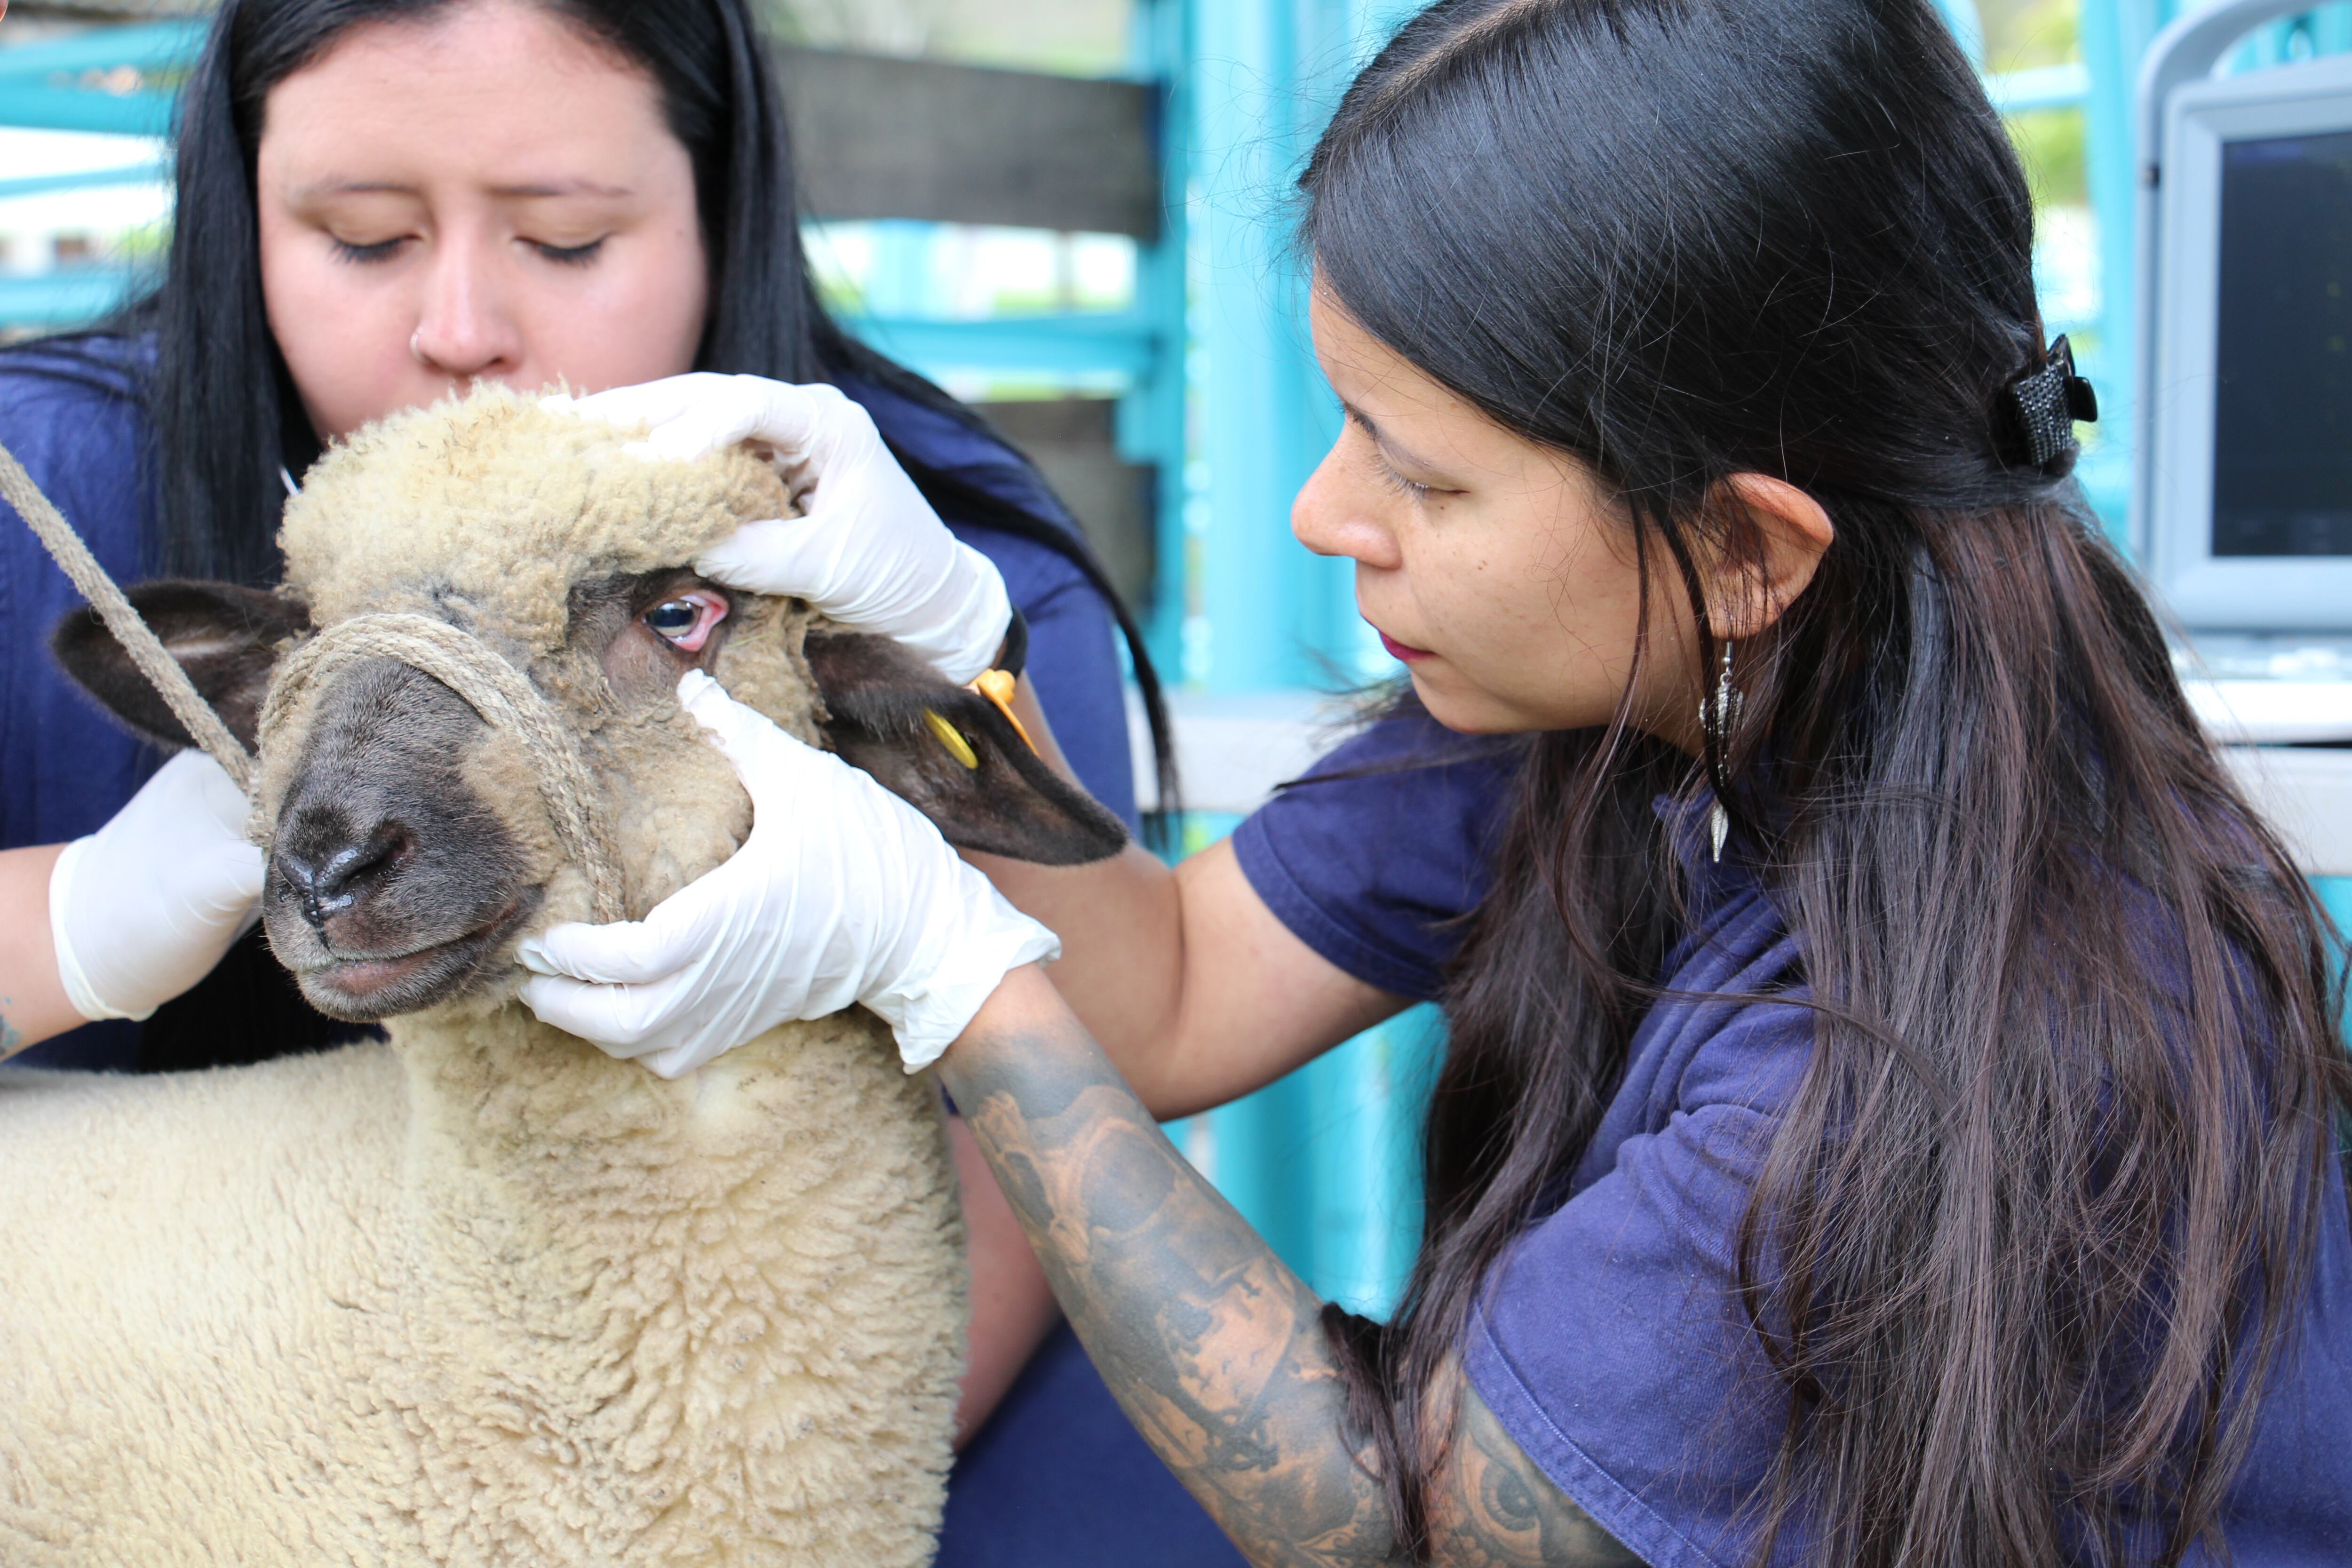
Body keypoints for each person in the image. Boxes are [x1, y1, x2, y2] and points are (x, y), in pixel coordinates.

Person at [519, 0, 2352, 1563]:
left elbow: (1400, 1514)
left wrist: (951, 976)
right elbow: (1163, 997)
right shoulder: (1623, 713)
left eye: (1423, 477)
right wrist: (938, 644)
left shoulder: (1956, 1026)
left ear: (1738, 546)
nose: (1325, 517)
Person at [0, 2, 1236, 1562]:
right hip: (153, 1404)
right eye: (361, 237)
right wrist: (75, 927)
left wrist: (698, 1493)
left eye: (569, 241)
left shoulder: (912, 553)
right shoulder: (37, 491)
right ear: (243, 206)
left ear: (716, 205)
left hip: (787, 1379)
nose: (460, 328)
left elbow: (1072, 1100)